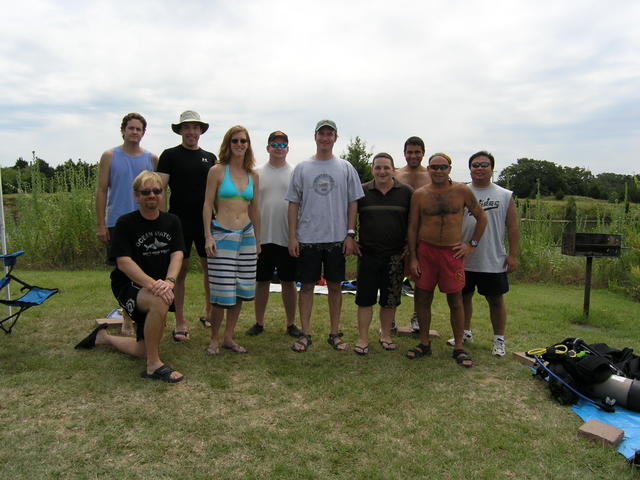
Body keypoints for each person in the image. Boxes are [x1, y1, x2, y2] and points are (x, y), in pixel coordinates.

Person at [76, 171, 185, 383]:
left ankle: (103, 337)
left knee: (143, 348)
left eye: (156, 191)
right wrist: (156, 286)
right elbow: (123, 262)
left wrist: (170, 282)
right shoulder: (125, 223)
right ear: (137, 195)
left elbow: (177, 254)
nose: (151, 195)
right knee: (159, 300)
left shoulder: (172, 221)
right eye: (146, 192)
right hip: (129, 285)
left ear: (163, 194)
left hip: (159, 285)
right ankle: (153, 366)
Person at [286, 120, 364, 353]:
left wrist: (351, 234)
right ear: (315, 136)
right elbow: (293, 205)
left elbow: (353, 203)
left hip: (336, 239)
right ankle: (306, 334)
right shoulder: (302, 168)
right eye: (322, 134)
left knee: (335, 287)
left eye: (330, 134)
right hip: (307, 238)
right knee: (307, 287)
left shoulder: (345, 167)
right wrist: (292, 237)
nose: (325, 138)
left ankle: (334, 333)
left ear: (335, 138)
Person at [407, 153, 487, 367]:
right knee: (422, 297)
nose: (438, 171)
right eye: (434, 167)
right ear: (428, 169)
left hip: (451, 253)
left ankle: (459, 347)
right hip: (426, 252)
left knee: (455, 300)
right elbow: (413, 227)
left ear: (450, 169)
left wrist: (471, 245)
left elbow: (481, 217)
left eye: (443, 167)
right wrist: (413, 258)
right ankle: (424, 343)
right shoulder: (420, 195)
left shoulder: (461, 191)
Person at [446, 151, 519, 357]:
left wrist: (513, 255)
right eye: (475, 165)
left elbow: (512, 227)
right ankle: (464, 333)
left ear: (492, 168)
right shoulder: (459, 192)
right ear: (469, 169)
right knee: (462, 298)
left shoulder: (504, 195)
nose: (479, 168)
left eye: (484, 164)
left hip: (492, 257)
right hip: (463, 257)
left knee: (495, 300)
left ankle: (499, 339)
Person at [95, 112, 158, 335]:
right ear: (123, 130)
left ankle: (144, 313)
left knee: (144, 270)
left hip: (145, 223)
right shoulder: (110, 156)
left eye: (138, 129)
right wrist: (100, 224)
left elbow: (158, 192)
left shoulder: (151, 158)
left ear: (143, 132)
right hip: (117, 222)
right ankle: (127, 318)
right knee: (122, 273)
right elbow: (102, 190)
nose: (134, 132)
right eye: (130, 128)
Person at [157, 110, 217, 342]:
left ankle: (209, 312)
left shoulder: (210, 158)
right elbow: (160, 188)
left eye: (195, 127)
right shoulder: (169, 156)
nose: (191, 132)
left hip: (205, 222)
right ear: (180, 130)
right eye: (187, 128)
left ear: (201, 131)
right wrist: (163, 220)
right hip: (177, 221)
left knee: (209, 268)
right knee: (179, 272)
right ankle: (180, 321)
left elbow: (217, 193)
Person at [203, 126, 260, 355]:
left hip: (246, 235)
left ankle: (228, 337)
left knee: (240, 289)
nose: (239, 145)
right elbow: (207, 204)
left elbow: (255, 209)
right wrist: (208, 236)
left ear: (248, 144)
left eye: (243, 141)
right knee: (221, 291)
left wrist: (259, 241)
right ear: (228, 144)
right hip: (222, 234)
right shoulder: (217, 171)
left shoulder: (253, 175)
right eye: (235, 141)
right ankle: (214, 339)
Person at [353, 153, 413, 355]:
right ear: (372, 170)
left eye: (386, 167)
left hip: (395, 257)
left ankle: (385, 335)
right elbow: (350, 215)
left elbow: (414, 222)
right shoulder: (361, 191)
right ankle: (362, 338)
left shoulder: (406, 193)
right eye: (378, 167)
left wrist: (410, 245)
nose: (382, 171)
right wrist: (351, 237)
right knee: (364, 300)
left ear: (393, 170)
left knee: (389, 300)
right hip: (368, 254)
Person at [245, 131, 302, 338]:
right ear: (267, 148)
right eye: (274, 145)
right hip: (261, 237)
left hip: (287, 238)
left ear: (288, 148)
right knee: (262, 281)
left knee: (288, 282)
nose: (279, 149)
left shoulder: (296, 173)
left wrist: (296, 236)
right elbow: (250, 205)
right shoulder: (256, 173)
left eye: (282, 145)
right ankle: (259, 322)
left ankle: (291, 323)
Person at [394, 136, 430, 332]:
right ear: (404, 153)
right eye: (409, 152)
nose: (413, 156)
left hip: (424, 235)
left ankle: (417, 316)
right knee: (393, 277)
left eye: (417, 152)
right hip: (399, 232)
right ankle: (389, 316)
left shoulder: (431, 175)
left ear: (423, 153)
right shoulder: (396, 174)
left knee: (421, 280)